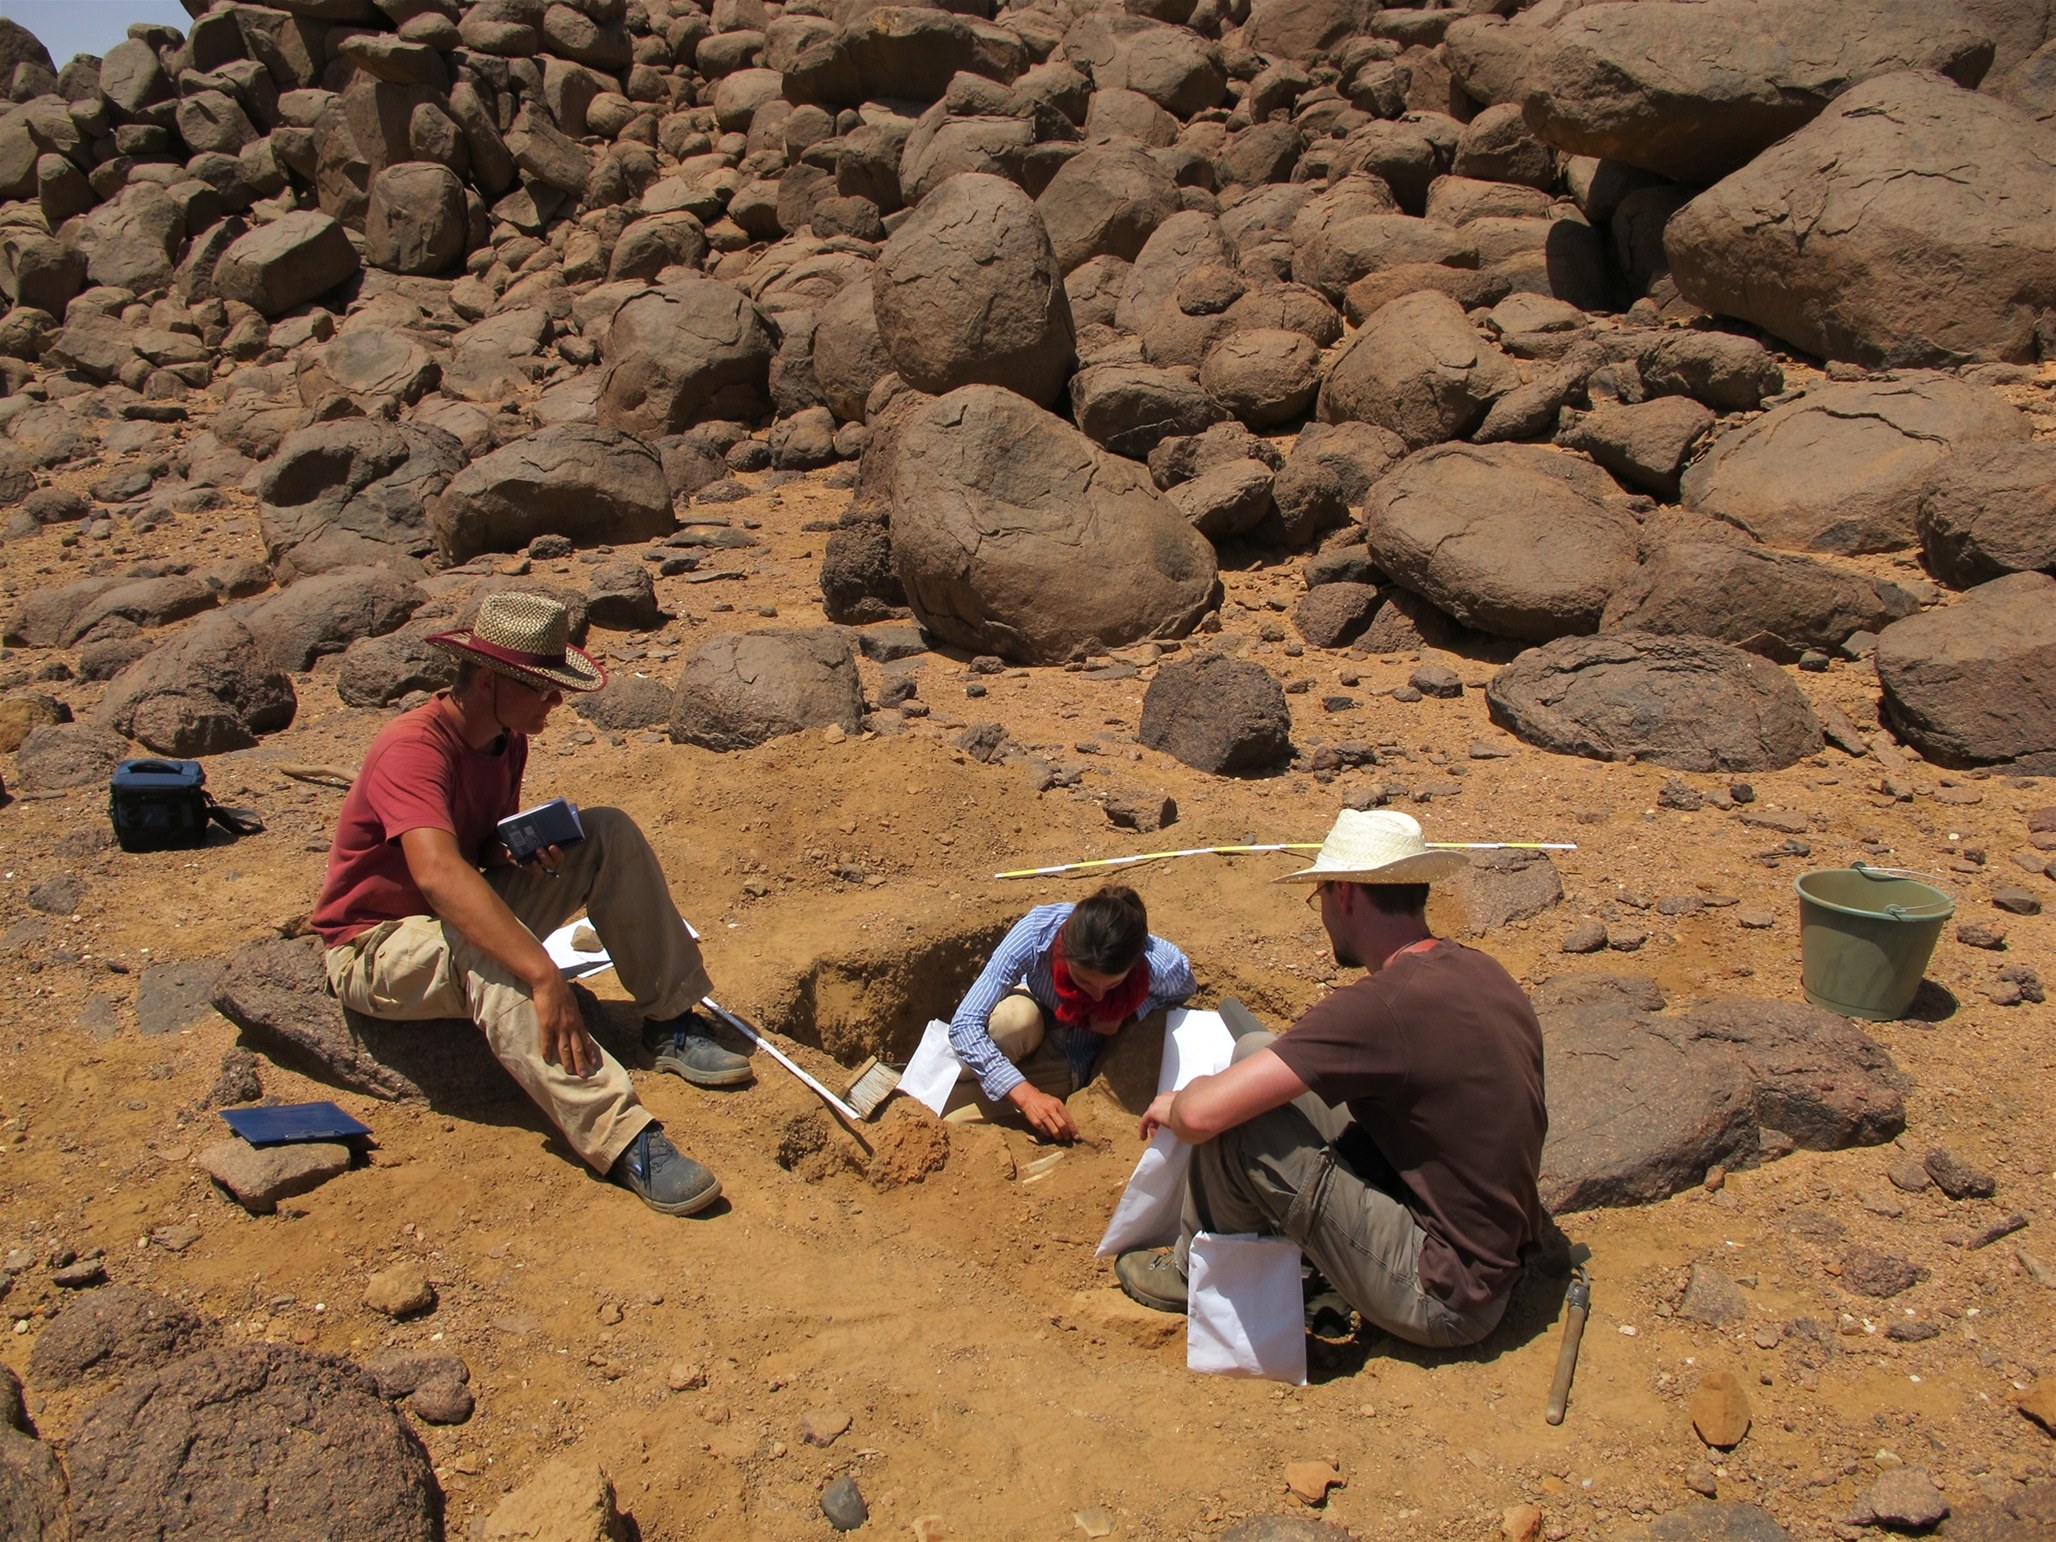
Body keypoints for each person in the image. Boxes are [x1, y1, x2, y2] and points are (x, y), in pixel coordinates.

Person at [310, 591, 754, 1217]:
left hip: (444, 918)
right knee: (495, 950)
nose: (556, 702)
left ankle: (669, 1019)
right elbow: (437, 874)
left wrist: (511, 848)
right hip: (375, 944)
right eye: (543, 688)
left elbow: (472, 849)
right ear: (488, 682)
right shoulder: (412, 747)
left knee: (605, 831)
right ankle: (620, 1135)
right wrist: (543, 973)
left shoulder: (504, 738)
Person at [1112, 810, 1547, 1349]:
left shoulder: (1380, 1007)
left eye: (1319, 894)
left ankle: (1201, 1273)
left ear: (1344, 893)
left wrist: (1181, 1102)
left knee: (1236, 1128)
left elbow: (1202, 1117)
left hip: (1444, 1292)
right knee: (1255, 1050)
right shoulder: (1478, 969)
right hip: (1487, 1239)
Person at [946, 885, 1196, 1142]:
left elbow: (1184, 989)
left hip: (1071, 1054)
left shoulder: (1157, 963)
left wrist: (1128, 1013)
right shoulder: (1039, 932)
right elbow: (965, 1023)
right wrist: (1026, 1096)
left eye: (1112, 986)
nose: (1097, 997)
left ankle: (947, 1090)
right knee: (1014, 1022)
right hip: (1032, 1011)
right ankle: (945, 1073)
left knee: (951, 1117)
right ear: (1064, 952)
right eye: (1083, 981)